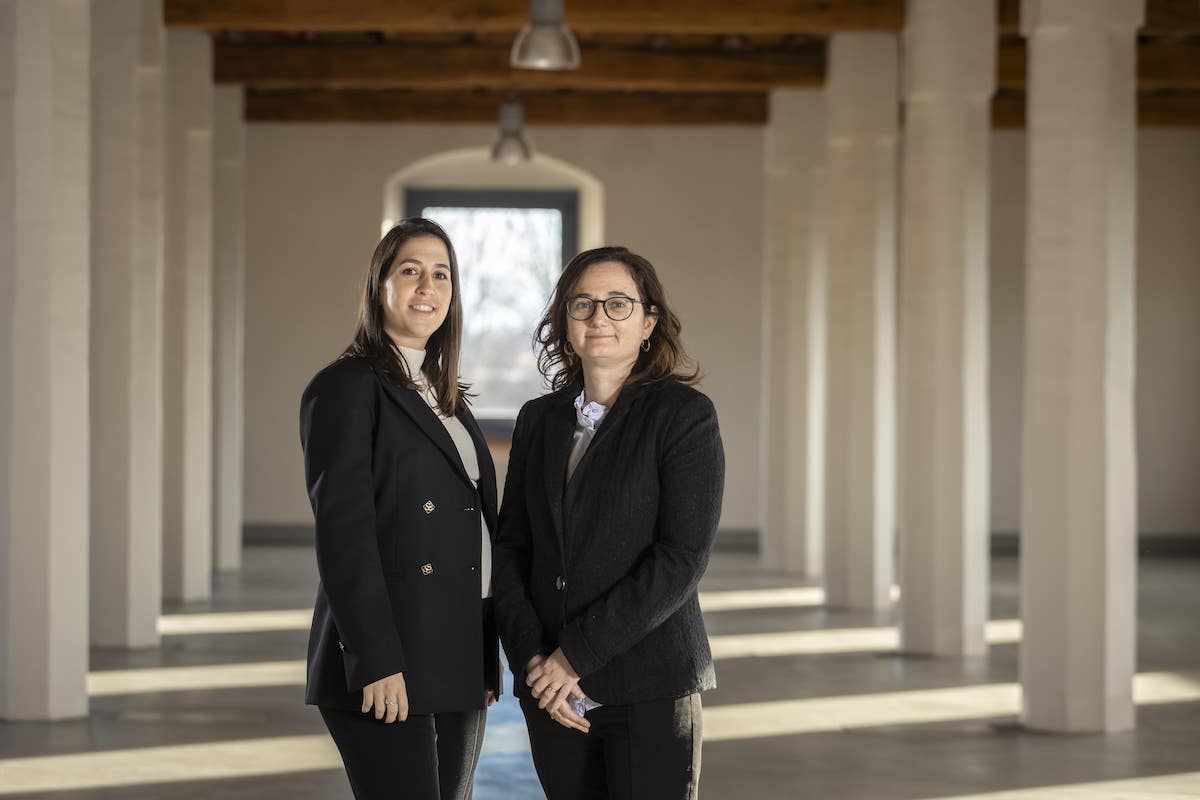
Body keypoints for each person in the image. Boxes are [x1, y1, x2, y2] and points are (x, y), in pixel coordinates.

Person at [492, 246, 725, 800]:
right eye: (584, 304)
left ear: (648, 322)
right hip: (551, 689)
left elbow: (681, 559)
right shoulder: (538, 420)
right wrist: (534, 665)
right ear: (564, 324)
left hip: (650, 685)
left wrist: (574, 658)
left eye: (618, 304)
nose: (600, 317)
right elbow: (511, 550)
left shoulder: (684, 417)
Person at [299, 218, 500, 800]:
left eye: (442, 275)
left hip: (455, 651)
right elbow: (344, 535)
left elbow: (473, 533)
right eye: (410, 270)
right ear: (378, 285)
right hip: (388, 656)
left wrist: (484, 656)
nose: (427, 287)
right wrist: (376, 658)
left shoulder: (447, 398)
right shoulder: (345, 387)